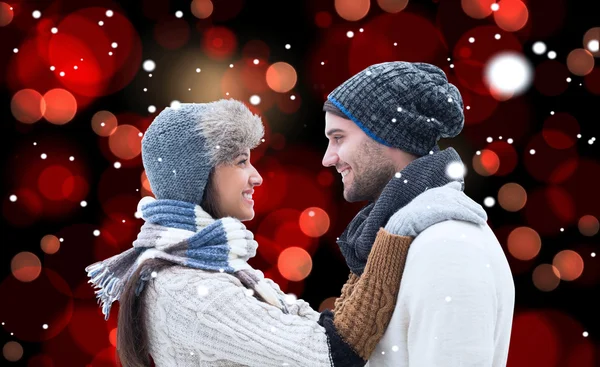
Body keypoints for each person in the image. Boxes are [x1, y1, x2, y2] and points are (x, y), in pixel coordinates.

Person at [85, 99, 462, 367]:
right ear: (196, 179)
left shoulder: (215, 268)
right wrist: (393, 233)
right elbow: (331, 354)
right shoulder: (189, 289)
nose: (256, 176)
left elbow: (314, 324)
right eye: (240, 161)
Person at [321, 61, 516, 366]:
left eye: (339, 138)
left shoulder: (448, 245)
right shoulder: (399, 239)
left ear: (387, 135)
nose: (328, 158)